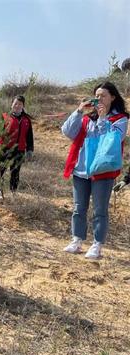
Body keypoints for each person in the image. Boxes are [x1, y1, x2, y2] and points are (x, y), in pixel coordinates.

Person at [61, 82, 128, 260]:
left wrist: (104, 118)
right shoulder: (86, 118)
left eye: (103, 95)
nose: (99, 99)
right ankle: (77, 240)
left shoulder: (120, 119)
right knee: (78, 208)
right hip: (82, 169)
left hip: (103, 171)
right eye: (96, 95)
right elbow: (67, 131)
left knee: (100, 210)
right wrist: (78, 111)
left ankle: (97, 244)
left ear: (113, 97)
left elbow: (114, 139)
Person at [0, 95, 34, 201]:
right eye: (15, 103)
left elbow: (29, 136)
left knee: (15, 172)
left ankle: (13, 192)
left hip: (20, 149)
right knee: (1, 170)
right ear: (12, 104)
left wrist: (30, 149)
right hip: (5, 148)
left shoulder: (26, 119)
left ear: (23, 106)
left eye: (20, 104)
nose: (17, 106)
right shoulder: (5, 116)